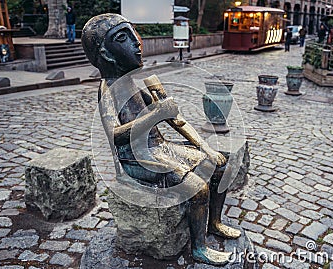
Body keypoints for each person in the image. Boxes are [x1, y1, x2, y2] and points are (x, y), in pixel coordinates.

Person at [82, 13, 241, 266]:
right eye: (124, 38)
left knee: (219, 166)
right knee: (198, 189)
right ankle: (199, 247)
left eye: (135, 33)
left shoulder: (135, 85)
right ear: (106, 54)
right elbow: (115, 136)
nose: (137, 42)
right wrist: (156, 114)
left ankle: (214, 223)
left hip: (161, 149)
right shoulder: (108, 91)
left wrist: (206, 147)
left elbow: (176, 120)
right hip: (137, 159)